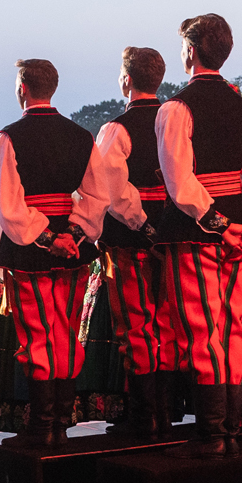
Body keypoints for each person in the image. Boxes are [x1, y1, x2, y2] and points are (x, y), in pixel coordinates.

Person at [153, 14, 242, 458]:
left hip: (198, 232)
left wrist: (221, 225)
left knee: (203, 329)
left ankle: (211, 432)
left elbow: (180, 182)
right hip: (241, 231)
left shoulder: (176, 109)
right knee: (234, 326)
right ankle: (229, 427)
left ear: (190, 52)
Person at [0, 59, 108, 448]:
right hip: (73, 248)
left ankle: (43, 427)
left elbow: (9, 207)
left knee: (38, 334)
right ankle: (60, 424)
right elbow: (97, 197)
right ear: (53, 88)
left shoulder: (6, 139)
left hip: (30, 251)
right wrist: (70, 233)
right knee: (65, 331)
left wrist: (46, 238)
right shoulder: (81, 136)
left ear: (22, 89)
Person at [93, 46, 186, 440]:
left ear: (127, 80)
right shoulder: (178, 120)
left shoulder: (117, 129)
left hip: (131, 240)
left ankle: (146, 416)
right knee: (168, 320)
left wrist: (144, 226)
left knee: (136, 323)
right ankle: (164, 413)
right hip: (177, 230)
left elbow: (113, 191)